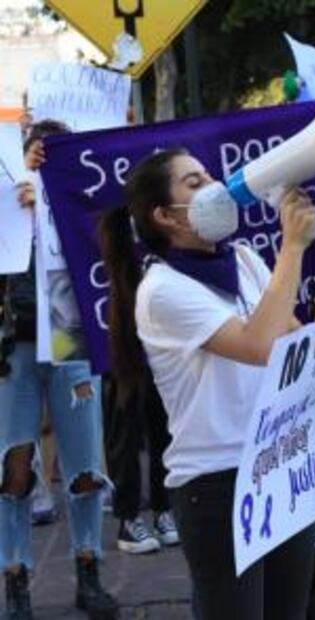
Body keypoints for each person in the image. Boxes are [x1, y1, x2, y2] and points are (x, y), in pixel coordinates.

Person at [99, 149, 315, 619]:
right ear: (164, 216)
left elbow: (285, 338)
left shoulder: (245, 260)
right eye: (193, 182)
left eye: (209, 174)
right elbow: (255, 345)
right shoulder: (163, 290)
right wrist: (292, 248)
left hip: (275, 463)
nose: (213, 185)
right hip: (216, 485)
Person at [1, 121, 119, 620]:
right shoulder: (8, 200)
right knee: (14, 468)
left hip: (70, 338)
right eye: (39, 154)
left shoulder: (86, 207)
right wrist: (15, 209)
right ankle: (16, 580)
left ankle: (88, 571)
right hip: (14, 347)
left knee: (85, 466)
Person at [102, 370, 178, 554]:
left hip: (158, 344)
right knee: (123, 420)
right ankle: (128, 517)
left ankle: (164, 509)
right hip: (118, 345)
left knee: (163, 420)